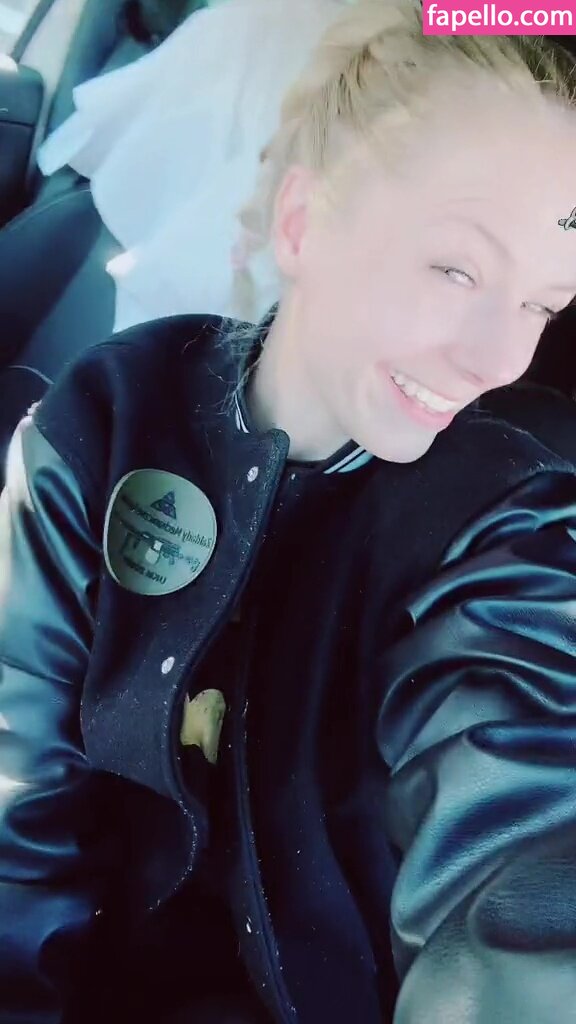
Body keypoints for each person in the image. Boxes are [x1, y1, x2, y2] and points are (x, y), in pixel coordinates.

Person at [2, 2, 576, 1022]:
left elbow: (522, 871)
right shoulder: (102, 424)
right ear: (305, 222)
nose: (499, 357)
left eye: (543, 302)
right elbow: (16, 816)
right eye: (456, 268)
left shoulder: (509, 524)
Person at [37, 0, 349, 331]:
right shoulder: (352, 58)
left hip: (188, 275)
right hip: (256, 296)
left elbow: (96, 137)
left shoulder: (239, 23)